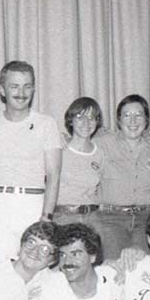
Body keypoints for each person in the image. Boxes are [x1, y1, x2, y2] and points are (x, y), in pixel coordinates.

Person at [0, 60, 62, 261]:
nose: (21, 92)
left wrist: (47, 217)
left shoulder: (46, 124)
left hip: (34, 205)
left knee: (35, 269)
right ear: (2, 90)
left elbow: (54, 175)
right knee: (1, 270)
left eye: (27, 86)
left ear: (33, 89)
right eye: (14, 86)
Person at [94, 94, 150, 259]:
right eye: (127, 115)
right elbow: (78, 145)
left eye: (138, 115)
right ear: (119, 120)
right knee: (115, 272)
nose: (133, 121)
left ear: (146, 120)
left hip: (145, 219)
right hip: (111, 220)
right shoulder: (102, 143)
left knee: (143, 273)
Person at [52, 98, 105, 231]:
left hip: (92, 219)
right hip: (62, 218)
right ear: (71, 120)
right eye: (80, 117)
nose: (86, 123)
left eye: (91, 118)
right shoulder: (58, 147)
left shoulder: (100, 153)